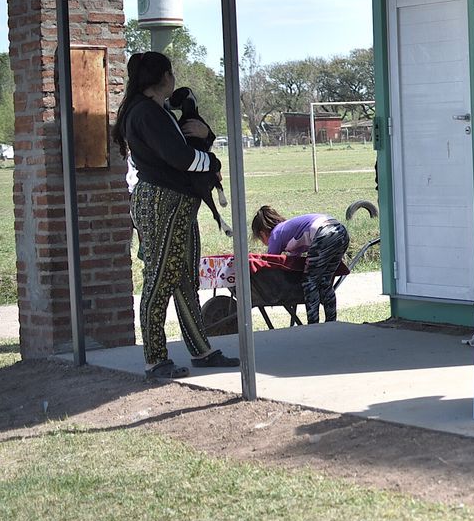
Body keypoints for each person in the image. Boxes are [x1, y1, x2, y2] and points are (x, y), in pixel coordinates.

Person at [113, 51, 238, 382]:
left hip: (176, 203)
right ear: (162, 77)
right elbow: (180, 157)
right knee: (160, 278)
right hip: (162, 202)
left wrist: (204, 135)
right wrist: (212, 163)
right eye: (171, 73)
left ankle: (201, 350)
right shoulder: (146, 113)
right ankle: (155, 359)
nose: (174, 79)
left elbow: (184, 143)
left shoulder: (155, 110)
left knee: (183, 278)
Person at [250, 206, 348, 324]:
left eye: (261, 239)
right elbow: (294, 260)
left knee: (309, 282)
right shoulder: (288, 230)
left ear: (262, 234)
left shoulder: (275, 235)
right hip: (340, 231)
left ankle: (313, 324)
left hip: (324, 233)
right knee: (325, 281)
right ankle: (331, 321)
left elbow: (271, 262)